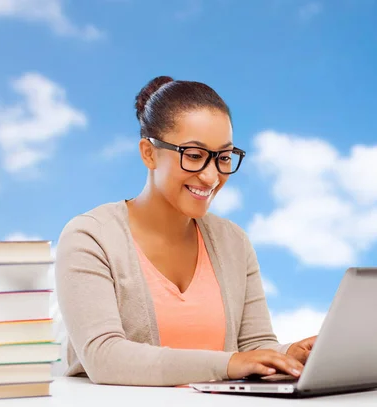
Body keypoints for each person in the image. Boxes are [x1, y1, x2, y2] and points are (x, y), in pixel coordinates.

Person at [54, 75, 316, 387]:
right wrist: (229, 363)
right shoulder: (90, 237)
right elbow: (104, 358)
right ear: (149, 153)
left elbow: (254, 347)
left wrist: (289, 355)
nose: (211, 176)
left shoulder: (233, 242)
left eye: (222, 157)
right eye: (193, 156)